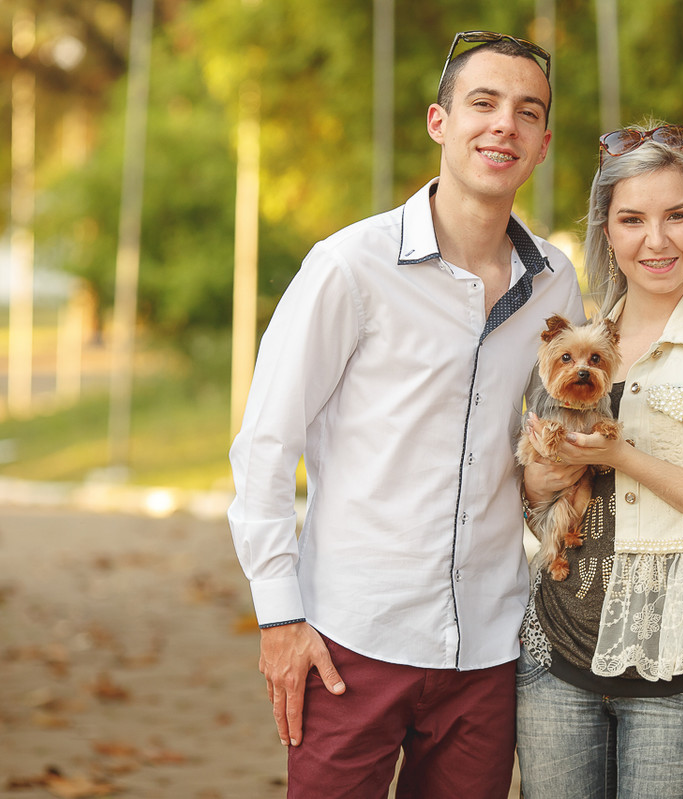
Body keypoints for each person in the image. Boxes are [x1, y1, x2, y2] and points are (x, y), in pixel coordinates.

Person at [227, 31, 583, 799]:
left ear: (543, 144)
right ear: (439, 121)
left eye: (527, 113)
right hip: (351, 638)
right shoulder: (349, 266)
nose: (503, 126)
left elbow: (544, 446)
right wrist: (279, 617)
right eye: (482, 104)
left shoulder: (555, 284)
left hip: (488, 647)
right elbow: (264, 444)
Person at [516, 121, 683, 799]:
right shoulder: (570, 343)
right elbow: (526, 491)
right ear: (606, 229)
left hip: (679, 667)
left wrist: (625, 457)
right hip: (555, 655)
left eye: (677, 215)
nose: (657, 240)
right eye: (632, 218)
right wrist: (551, 471)